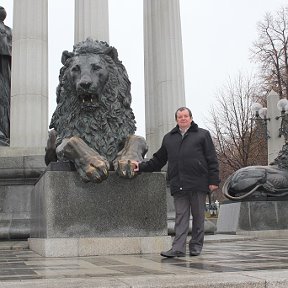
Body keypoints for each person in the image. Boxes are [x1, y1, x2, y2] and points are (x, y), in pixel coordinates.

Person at [133, 107, 220, 257]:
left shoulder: (202, 135)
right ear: (176, 120)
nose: (183, 119)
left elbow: (212, 159)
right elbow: (158, 160)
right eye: (180, 117)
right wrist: (140, 166)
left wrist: (213, 180)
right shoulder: (169, 138)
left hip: (198, 182)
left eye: (186, 116)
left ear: (191, 118)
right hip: (178, 183)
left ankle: (196, 246)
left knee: (198, 217)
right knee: (181, 217)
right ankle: (178, 248)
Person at [0, 6, 12, 146]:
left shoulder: (9, 31)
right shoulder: (9, 31)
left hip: (6, 67)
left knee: (5, 98)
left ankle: (5, 132)